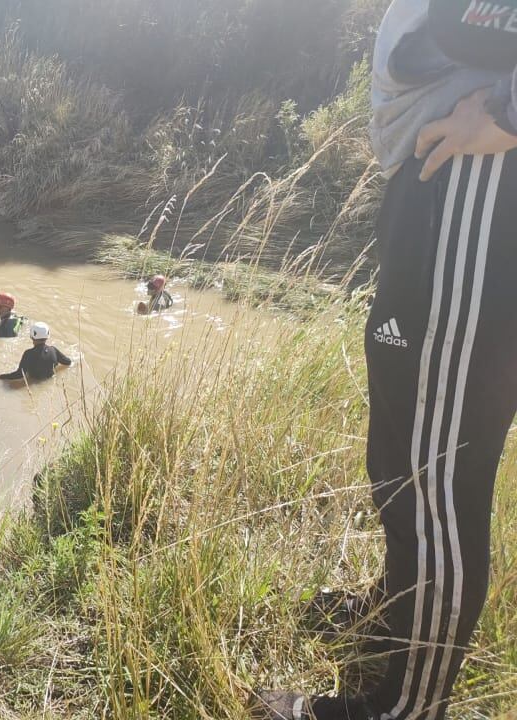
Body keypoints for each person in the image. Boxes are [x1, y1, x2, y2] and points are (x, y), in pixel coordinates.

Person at [253, 2, 517, 719]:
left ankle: (405, 707)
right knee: (404, 450)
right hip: (444, 182)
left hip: (483, 183)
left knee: (440, 472)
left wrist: (508, 112)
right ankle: (403, 607)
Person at [0, 322, 73, 382]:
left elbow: (19, 375)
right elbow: (68, 362)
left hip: (33, 381)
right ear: (47, 335)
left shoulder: (28, 354)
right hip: (48, 380)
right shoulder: (53, 350)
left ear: (31, 336)